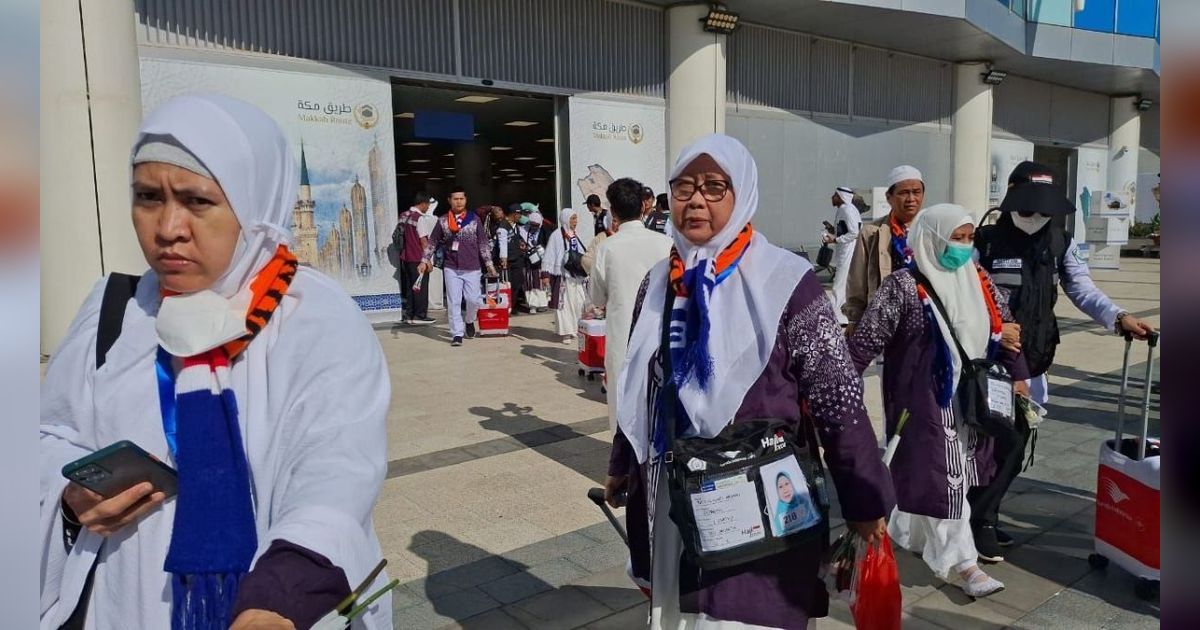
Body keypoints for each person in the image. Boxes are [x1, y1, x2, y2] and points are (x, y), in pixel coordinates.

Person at [39, 94, 391, 630]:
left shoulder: (314, 320)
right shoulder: (116, 313)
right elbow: (46, 437)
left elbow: (337, 470)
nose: (168, 227)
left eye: (198, 201)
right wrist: (70, 496)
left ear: (254, 208)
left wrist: (279, 597)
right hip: (124, 603)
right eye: (147, 196)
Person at [604, 134, 893, 628]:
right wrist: (622, 463)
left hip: (756, 500)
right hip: (672, 495)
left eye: (715, 187)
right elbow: (641, 382)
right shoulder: (657, 283)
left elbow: (837, 399)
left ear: (743, 196)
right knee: (682, 613)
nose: (696, 199)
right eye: (684, 187)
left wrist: (865, 500)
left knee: (746, 612)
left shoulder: (785, 281)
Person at [968, 161, 1156, 560]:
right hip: (987, 365)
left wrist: (1118, 317)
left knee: (1013, 447)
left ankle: (982, 513)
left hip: (1034, 363)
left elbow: (1082, 289)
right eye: (1029, 207)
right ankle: (978, 520)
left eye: (1043, 210)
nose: (1036, 216)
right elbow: (963, 298)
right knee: (999, 442)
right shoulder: (983, 242)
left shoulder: (1060, 242)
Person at [846, 203, 1029, 597]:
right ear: (930, 238)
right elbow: (864, 343)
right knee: (946, 479)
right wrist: (836, 389)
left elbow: (1006, 326)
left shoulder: (977, 277)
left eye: (968, 238)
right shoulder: (902, 286)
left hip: (973, 400)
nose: (963, 247)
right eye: (955, 238)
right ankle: (966, 565)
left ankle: (907, 530)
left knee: (947, 479)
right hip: (924, 402)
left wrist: (1019, 375)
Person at [590, 177, 672, 432]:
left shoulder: (607, 248)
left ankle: (621, 467)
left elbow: (597, 299)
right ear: (643, 207)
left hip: (622, 338)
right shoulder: (666, 244)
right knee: (657, 403)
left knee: (621, 402)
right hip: (660, 337)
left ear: (613, 212)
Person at [843, 165, 926, 332]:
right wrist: (854, 319)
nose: (911, 198)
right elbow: (857, 281)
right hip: (887, 321)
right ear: (889, 197)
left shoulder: (933, 231)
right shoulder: (872, 232)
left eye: (916, 192)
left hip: (926, 319)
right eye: (903, 193)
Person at [419, 186, 496, 347]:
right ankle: (457, 334)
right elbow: (432, 242)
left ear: (466, 200)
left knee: (473, 300)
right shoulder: (442, 221)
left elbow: (483, 243)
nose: (458, 201)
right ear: (449, 201)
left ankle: (469, 320)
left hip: (472, 267)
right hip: (451, 267)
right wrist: (424, 260)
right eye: (455, 199)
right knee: (454, 301)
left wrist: (489, 264)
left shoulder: (474, 220)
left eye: (461, 198)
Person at [543, 208, 589, 344]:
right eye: (572, 218)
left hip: (576, 277)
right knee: (564, 305)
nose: (575, 222)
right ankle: (566, 332)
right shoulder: (556, 236)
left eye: (576, 218)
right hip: (563, 276)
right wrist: (545, 275)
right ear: (565, 219)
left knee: (579, 302)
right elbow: (549, 255)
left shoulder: (575, 235)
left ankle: (575, 328)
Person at [397, 192, 436, 325]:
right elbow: (423, 240)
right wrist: (427, 261)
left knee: (410, 287)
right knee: (421, 287)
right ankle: (420, 315)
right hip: (418, 258)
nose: (427, 208)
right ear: (423, 204)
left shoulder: (403, 216)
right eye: (427, 205)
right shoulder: (418, 218)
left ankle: (409, 314)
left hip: (406, 258)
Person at [825, 186, 861, 326]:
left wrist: (835, 240)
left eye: (835, 195)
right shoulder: (846, 210)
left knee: (839, 284)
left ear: (840, 197)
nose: (832, 197)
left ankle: (833, 315)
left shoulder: (847, 209)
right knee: (843, 284)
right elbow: (846, 230)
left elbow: (854, 233)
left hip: (848, 252)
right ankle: (841, 315)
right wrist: (832, 230)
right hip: (844, 251)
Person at [493, 204, 527, 315]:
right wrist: (503, 259)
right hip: (508, 262)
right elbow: (502, 243)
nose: (521, 216)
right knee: (508, 284)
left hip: (517, 259)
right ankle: (506, 306)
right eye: (519, 214)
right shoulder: (503, 227)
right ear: (514, 214)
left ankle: (512, 305)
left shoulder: (516, 226)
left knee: (517, 283)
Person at [581, 194, 610, 275]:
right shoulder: (596, 215)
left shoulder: (605, 216)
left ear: (592, 204)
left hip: (605, 248)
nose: (587, 207)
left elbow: (610, 233)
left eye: (588, 205)